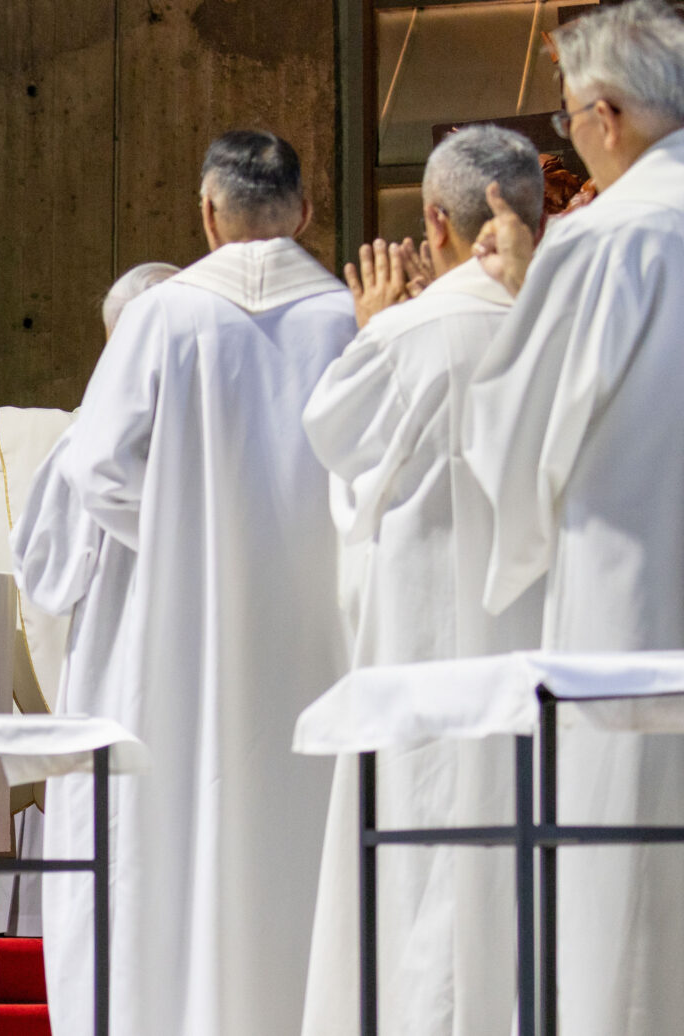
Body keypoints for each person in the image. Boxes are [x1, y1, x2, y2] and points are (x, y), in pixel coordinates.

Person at [17, 130, 353, 1036]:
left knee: (166, 825)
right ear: (305, 212)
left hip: (174, 627)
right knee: (300, 825)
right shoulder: (345, 318)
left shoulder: (164, 316)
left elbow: (97, 467)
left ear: (207, 212)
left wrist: (186, 542)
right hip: (315, 629)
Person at [460, 4, 684, 1029]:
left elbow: (513, 432)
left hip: (628, 600)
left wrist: (523, 288)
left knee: (622, 845)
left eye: (566, 117)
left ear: (607, 114)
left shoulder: (608, 239)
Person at [296, 126, 546, 1036]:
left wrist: (374, 333)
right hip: (544, 640)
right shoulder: (563, 324)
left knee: (428, 839)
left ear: (434, 222)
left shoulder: (407, 333)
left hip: (426, 634)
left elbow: (341, 462)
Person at [0, 264, 179, 713]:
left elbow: (48, 572)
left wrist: (4, 427)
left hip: (129, 634)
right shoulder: (236, 415)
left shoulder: (101, 433)